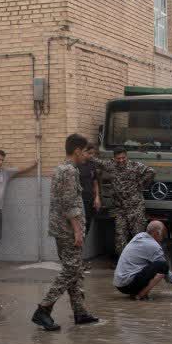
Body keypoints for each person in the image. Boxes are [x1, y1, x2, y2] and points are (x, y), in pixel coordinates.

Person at [34, 134, 99, 331]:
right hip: (68, 230)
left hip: (61, 228)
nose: (86, 157)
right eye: (85, 152)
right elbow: (70, 204)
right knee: (71, 270)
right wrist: (78, 231)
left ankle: (80, 312)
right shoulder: (70, 171)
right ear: (77, 150)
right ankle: (43, 309)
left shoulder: (62, 168)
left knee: (75, 270)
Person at [115, 220, 172, 300]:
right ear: (157, 233)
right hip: (128, 284)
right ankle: (140, 295)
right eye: (163, 236)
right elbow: (166, 272)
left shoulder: (139, 236)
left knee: (153, 264)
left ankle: (135, 292)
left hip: (119, 284)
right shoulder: (154, 246)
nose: (162, 240)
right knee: (163, 266)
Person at [98, 149, 156, 257]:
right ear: (114, 158)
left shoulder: (135, 166)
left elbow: (151, 171)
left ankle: (140, 260)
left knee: (138, 235)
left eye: (123, 158)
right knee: (120, 236)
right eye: (118, 158)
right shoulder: (111, 165)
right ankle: (122, 261)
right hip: (120, 209)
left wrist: (141, 183)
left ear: (126, 157)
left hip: (135, 207)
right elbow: (98, 162)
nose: (121, 160)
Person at [78, 145, 102, 249]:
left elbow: (95, 182)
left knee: (87, 226)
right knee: (80, 228)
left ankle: (80, 255)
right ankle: (77, 256)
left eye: (93, 153)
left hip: (90, 200)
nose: (92, 156)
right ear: (84, 152)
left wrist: (97, 197)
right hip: (80, 201)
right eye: (90, 153)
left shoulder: (92, 165)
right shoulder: (76, 166)